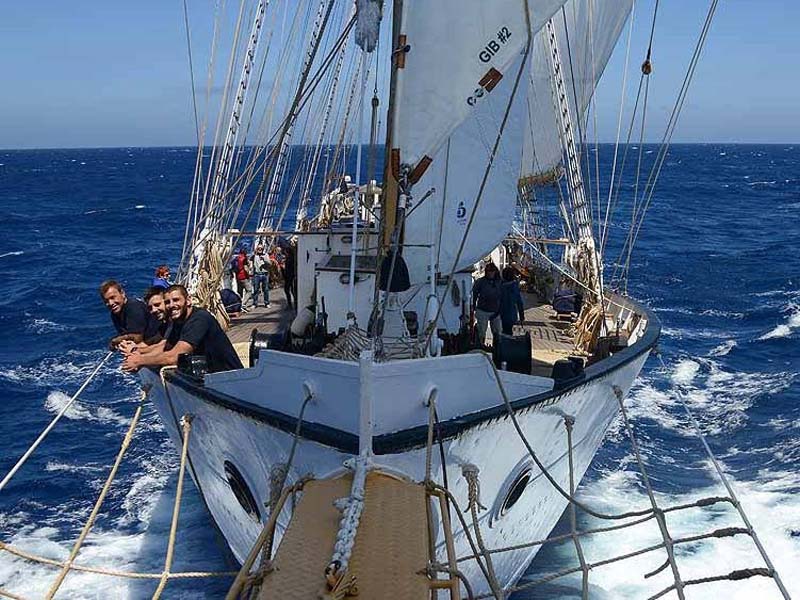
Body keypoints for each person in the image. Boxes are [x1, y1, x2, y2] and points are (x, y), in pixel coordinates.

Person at [122, 284, 243, 374]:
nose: (171, 305)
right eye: (167, 302)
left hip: (230, 378)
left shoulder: (199, 319)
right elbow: (164, 348)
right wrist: (136, 352)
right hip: (211, 377)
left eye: (176, 300)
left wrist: (140, 360)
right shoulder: (177, 322)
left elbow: (174, 357)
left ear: (188, 301)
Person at [100, 280, 157, 349]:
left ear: (122, 293)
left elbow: (137, 338)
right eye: (106, 301)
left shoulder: (134, 308)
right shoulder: (115, 313)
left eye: (112, 297)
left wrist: (117, 340)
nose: (110, 303)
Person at [472, 262, 502, 348]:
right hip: (482, 310)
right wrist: (473, 306)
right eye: (488, 271)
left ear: (495, 271)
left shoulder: (499, 282)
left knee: (497, 332)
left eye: (492, 271)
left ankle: (497, 348)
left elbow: (503, 296)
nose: (490, 273)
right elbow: (475, 294)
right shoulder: (480, 282)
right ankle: (481, 346)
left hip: (496, 310)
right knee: (481, 331)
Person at [500, 266, 526, 335]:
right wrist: (522, 316)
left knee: (501, 332)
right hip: (511, 315)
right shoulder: (515, 287)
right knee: (508, 332)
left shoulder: (500, 286)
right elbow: (519, 303)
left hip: (500, 314)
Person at [280, 241, 297, 311]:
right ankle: (292, 304)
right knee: (289, 290)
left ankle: (293, 304)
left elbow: (291, 268)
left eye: (285, 252)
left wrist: (283, 268)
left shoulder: (290, 259)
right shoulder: (289, 258)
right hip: (288, 277)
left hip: (290, 277)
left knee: (291, 291)